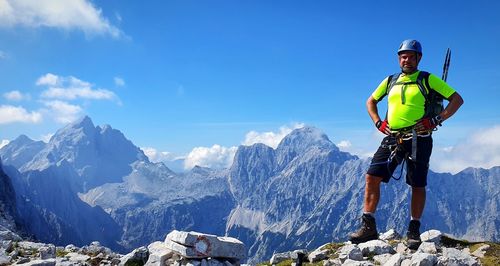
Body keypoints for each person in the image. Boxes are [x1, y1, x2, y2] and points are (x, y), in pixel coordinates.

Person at [349, 39, 464, 249]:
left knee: (417, 184)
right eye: (403, 56)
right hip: (393, 136)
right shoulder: (390, 81)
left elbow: (457, 99)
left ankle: (413, 230)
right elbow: (370, 101)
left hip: (419, 137)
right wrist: (377, 122)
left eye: (411, 56)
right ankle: (368, 226)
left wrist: (437, 119)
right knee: (372, 176)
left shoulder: (428, 79)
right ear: (398, 58)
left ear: (418, 58)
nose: (406, 59)